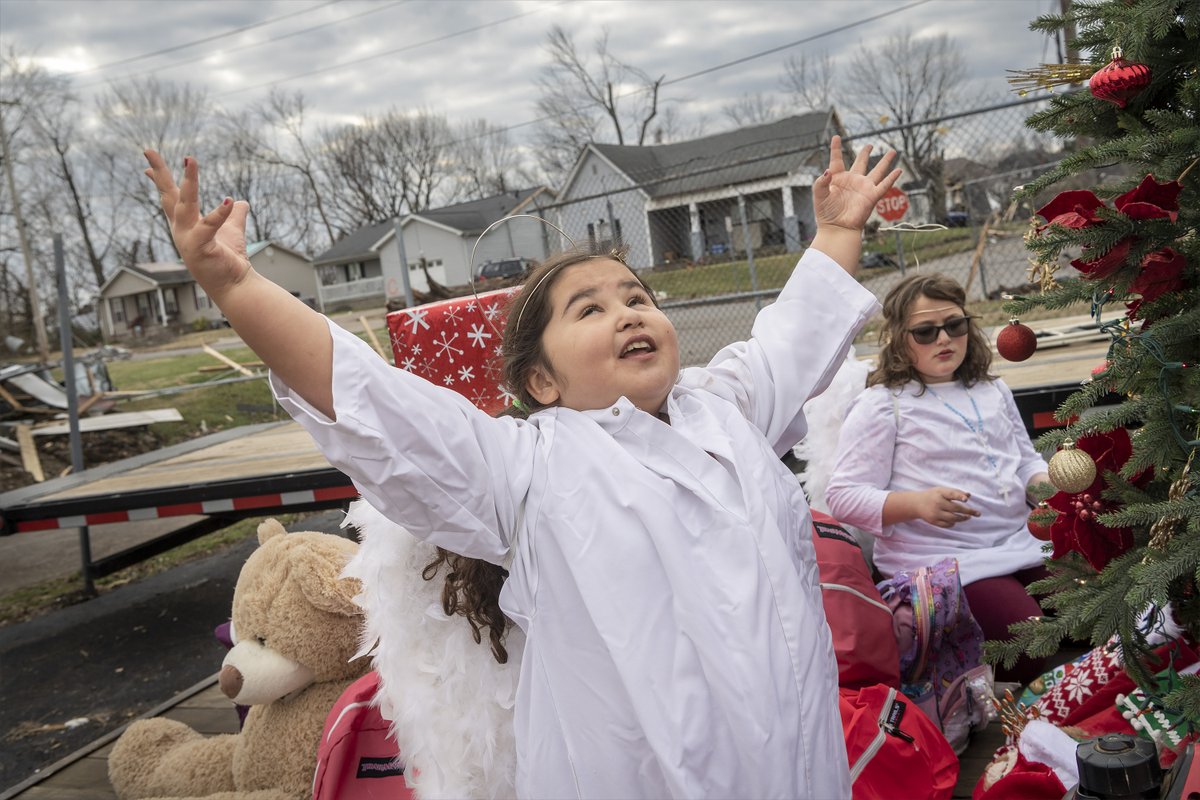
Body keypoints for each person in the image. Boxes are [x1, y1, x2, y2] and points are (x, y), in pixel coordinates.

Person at [144, 136, 900, 800]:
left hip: (794, 766)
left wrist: (835, 227)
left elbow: (796, 332)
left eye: (637, 297)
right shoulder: (525, 471)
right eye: (590, 309)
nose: (629, 312)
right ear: (542, 384)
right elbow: (369, 397)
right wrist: (236, 286)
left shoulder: (728, 409)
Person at [825, 273, 1051, 684]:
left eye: (954, 325)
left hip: (1021, 541)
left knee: (1087, 603)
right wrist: (917, 504)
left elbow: (1023, 460)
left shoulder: (992, 389)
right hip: (945, 561)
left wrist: (1047, 489)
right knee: (1029, 643)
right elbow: (842, 496)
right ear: (899, 338)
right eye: (925, 331)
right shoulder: (884, 405)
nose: (943, 339)